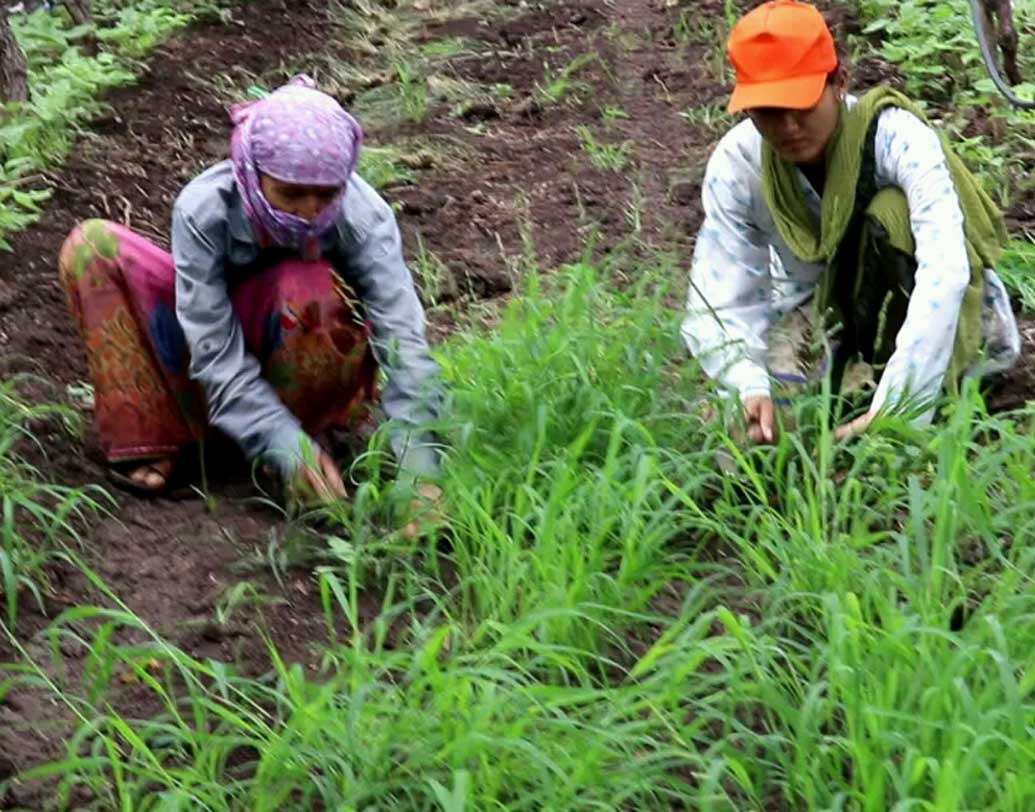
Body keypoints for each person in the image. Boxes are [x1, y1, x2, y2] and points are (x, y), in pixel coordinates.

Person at [59, 75, 443, 521]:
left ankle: (310, 437)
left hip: (298, 342)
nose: (310, 211)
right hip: (211, 356)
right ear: (250, 173)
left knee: (304, 285)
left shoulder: (365, 218)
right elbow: (211, 344)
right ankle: (165, 436)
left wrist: (420, 473)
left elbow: (404, 342)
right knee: (92, 246)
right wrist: (278, 440)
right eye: (291, 193)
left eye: (327, 194)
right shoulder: (204, 209)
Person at [681, 0, 1021, 444]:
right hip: (816, 311)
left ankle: (901, 384)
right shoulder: (739, 162)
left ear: (838, 83)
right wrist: (749, 382)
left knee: (891, 216)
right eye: (767, 111)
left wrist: (899, 402)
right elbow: (721, 295)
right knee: (756, 440)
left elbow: (945, 270)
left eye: (799, 105)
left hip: (917, 308)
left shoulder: (897, 139)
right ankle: (843, 383)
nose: (787, 127)